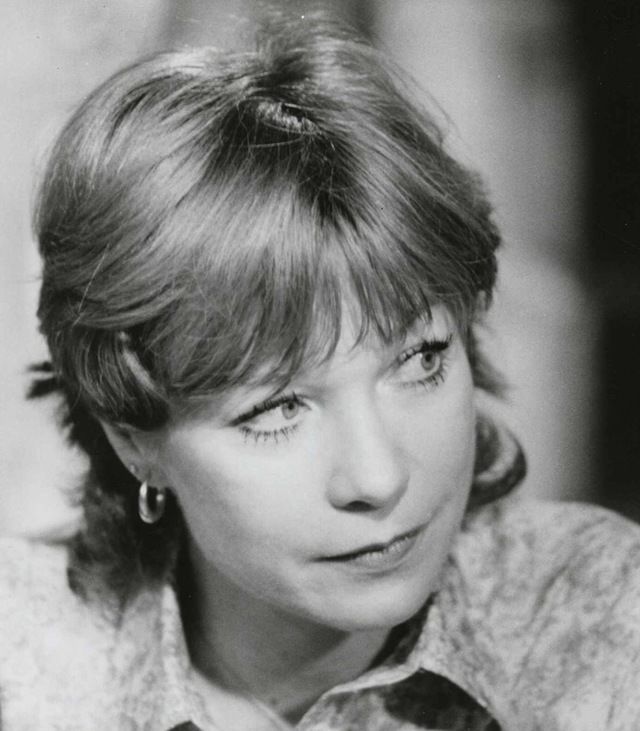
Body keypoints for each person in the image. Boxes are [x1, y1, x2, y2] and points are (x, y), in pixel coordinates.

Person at [1, 13, 639, 731]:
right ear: (132, 439)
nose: (378, 478)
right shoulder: (21, 662)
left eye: (421, 360)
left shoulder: (604, 621)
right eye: (276, 409)